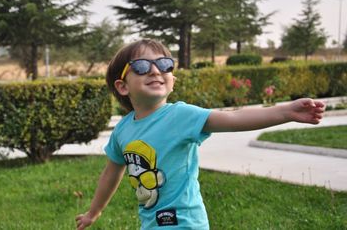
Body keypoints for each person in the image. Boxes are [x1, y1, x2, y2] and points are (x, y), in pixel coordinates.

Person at [75, 39, 325, 229]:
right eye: (141, 66)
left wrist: (284, 111)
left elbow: (234, 118)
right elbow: (112, 172)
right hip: (150, 223)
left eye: (164, 65)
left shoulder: (180, 116)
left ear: (172, 79)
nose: (155, 71)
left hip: (186, 222)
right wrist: (93, 212)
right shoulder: (123, 129)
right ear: (122, 86)